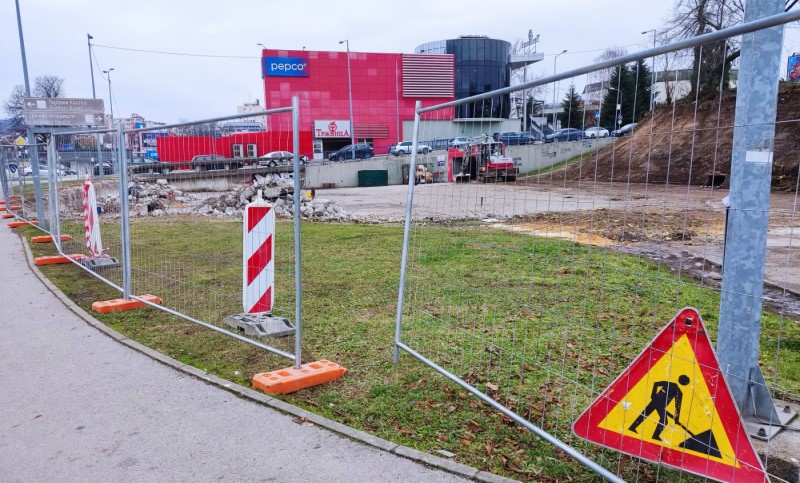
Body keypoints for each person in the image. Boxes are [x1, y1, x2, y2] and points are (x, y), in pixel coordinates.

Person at [628, 374, 690, 441]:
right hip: (661, 405)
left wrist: (653, 395)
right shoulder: (678, 391)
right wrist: (676, 418)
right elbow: (677, 406)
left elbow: (656, 384)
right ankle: (655, 435)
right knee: (664, 421)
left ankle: (632, 427)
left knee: (645, 413)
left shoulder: (669, 384)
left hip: (655, 400)